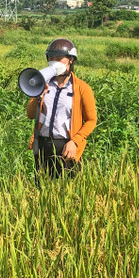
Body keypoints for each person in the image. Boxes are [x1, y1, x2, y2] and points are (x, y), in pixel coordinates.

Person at [26, 38, 97, 178]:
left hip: (66, 147)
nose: (54, 62)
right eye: (51, 58)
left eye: (59, 58)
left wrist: (75, 142)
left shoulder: (81, 88)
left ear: (70, 60)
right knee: (42, 186)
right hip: (43, 144)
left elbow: (91, 120)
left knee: (67, 188)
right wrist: (38, 96)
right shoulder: (43, 84)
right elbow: (30, 114)